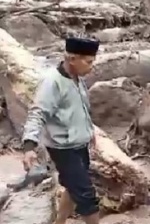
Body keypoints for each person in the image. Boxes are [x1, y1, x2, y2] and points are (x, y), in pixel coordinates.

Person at [22, 37, 101, 224]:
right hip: (64, 149)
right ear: (72, 59)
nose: (92, 66)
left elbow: (80, 110)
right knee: (87, 197)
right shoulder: (52, 82)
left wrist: (90, 134)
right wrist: (29, 146)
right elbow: (37, 113)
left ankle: (59, 223)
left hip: (79, 144)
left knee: (72, 189)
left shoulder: (77, 79)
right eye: (89, 62)